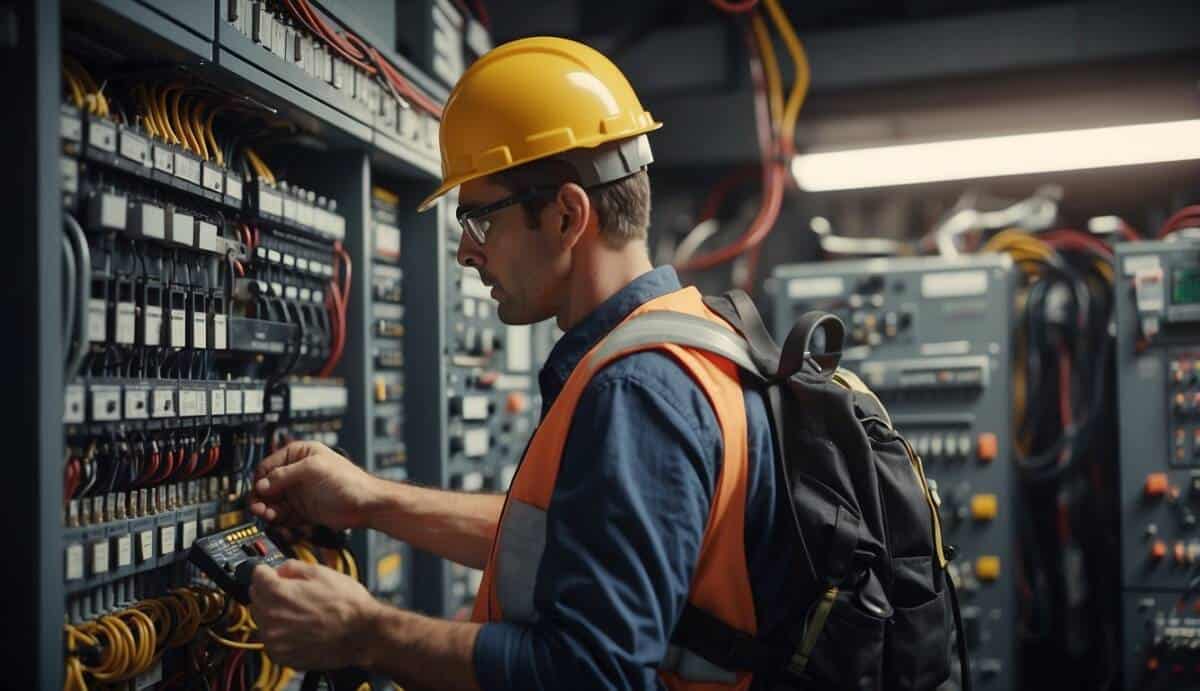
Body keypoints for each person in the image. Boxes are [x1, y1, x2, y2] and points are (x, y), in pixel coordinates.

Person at [247, 36, 798, 690]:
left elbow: (590, 674)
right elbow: (579, 543)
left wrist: (366, 630)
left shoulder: (641, 388)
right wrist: (373, 501)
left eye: (479, 220)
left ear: (567, 215)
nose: (464, 253)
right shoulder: (686, 336)